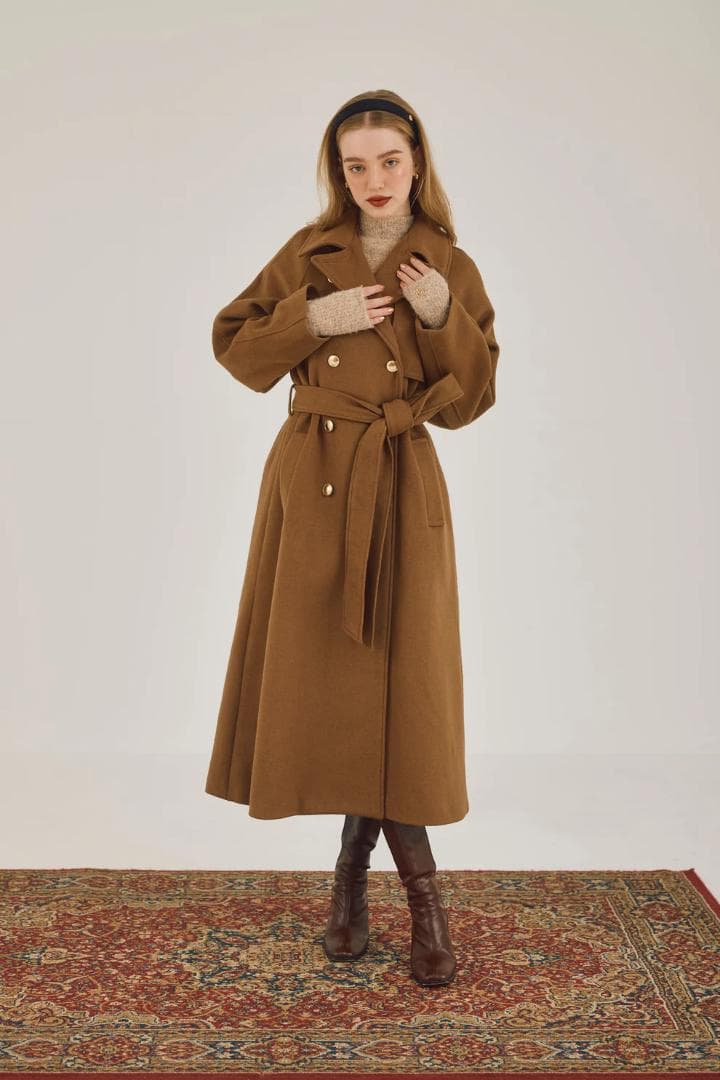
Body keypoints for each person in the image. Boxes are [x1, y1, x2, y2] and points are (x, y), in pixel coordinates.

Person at [204, 90, 500, 988]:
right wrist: (313, 319)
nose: (374, 179)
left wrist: (443, 314)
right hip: (316, 482)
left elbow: (476, 401)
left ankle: (367, 884)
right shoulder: (309, 252)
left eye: (390, 161)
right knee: (335, 687)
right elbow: (234, 345)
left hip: (400, 478)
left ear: (418, 163)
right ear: (338, 171)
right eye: (355, 164)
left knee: (401, 691)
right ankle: (383, 892)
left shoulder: (448, 263)